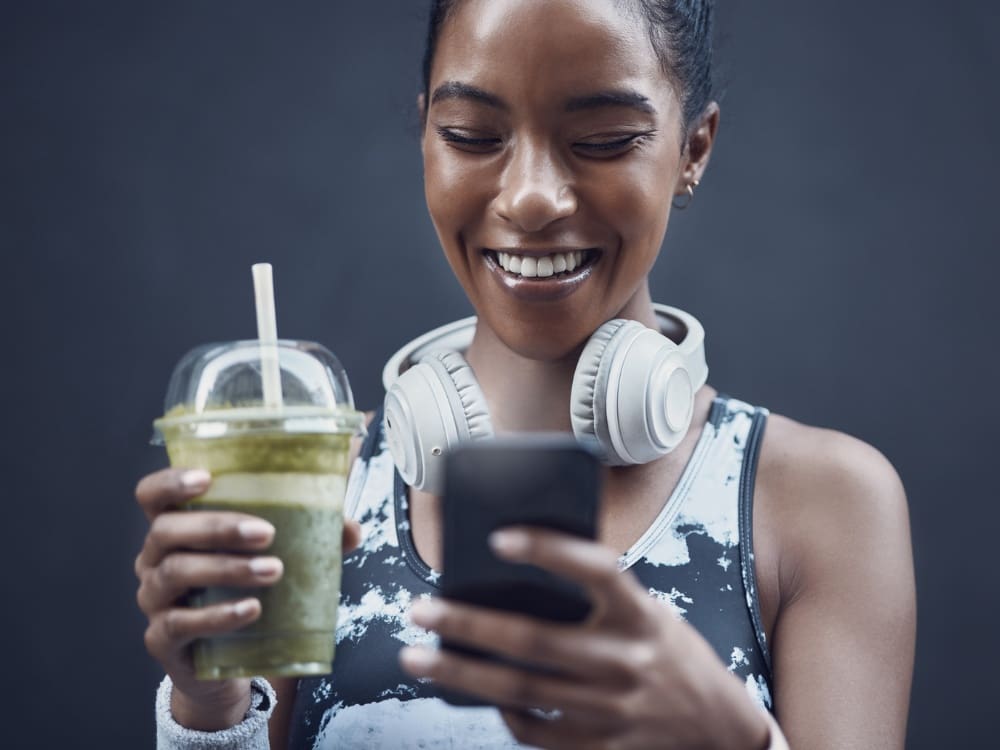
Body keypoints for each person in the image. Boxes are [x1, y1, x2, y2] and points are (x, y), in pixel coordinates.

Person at [134, 1, 916, 747]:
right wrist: (208, 702)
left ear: (693, 149)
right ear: (425, 138)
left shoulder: (821, 505)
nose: (532, 198)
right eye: (472, 135)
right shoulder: (318, 479)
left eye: (604, 139)